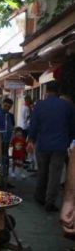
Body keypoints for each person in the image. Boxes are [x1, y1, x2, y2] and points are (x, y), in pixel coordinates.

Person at [28, 81, 75, 211]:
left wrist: (31, 139)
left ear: (46, 91)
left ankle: (39, 196)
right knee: (55, 174)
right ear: (58, 91)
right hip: (60, 145)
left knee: (42, 171)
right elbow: (72, 126)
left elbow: (34, 124)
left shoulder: (39, 105)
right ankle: (50, 201)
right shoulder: (67, 106)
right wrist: (69, 140)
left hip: (42, 144)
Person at [0, 98, 15, 187]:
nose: (7, 108)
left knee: (5, 160)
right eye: (5, 106)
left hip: (6, 141)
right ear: (2, 104)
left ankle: (5, 180)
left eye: (9, 107)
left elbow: (11, 127)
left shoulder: (9, 115)